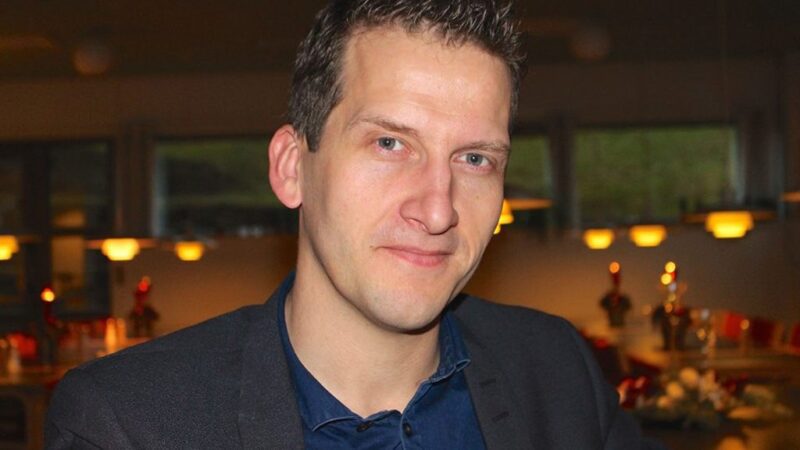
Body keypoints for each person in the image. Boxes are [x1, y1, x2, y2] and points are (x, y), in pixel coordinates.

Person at [45, 0, 664, 448]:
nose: (439, 209)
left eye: (475, 159)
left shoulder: (556, 370)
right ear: (292, 168)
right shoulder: (127, 423)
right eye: (390, 143)